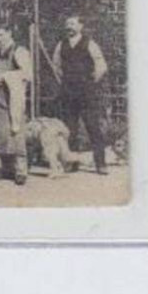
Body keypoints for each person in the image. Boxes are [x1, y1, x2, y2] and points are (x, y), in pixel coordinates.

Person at [51, 14, 110, 175]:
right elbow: (56, 67)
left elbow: (101, 65)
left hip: (86, 93)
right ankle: (72, 162)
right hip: (68, 92)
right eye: (67, 24)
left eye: (72, 23)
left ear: (80, 26)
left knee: (93, 127)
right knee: (70, 129)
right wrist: (64, 82)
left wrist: (91, 81)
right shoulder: (60, 45)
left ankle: (101, 163)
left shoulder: (89, 43)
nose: (69, 26)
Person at [0, 24, 34, 184]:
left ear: (9, 33)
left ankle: (20, 171)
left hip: (13, 97)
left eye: (1, 35)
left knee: (15, 133)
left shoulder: (19, 51)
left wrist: (6, 76)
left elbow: (27, 74)